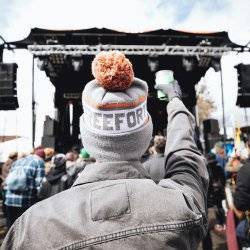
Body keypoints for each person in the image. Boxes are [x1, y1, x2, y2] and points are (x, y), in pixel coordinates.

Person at [2, 51, 208, 249]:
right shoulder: (183, 206)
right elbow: (185, 158)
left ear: (88, 138)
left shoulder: (31, 227)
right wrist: (175, 102)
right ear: (146, 137)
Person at [4, 148, 45, 229]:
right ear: (42, 157)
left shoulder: (17, 162)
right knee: (23, 230)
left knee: (11, 230)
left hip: (9, 200)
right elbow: (39, 184)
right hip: (25, 201)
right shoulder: (39, 162)